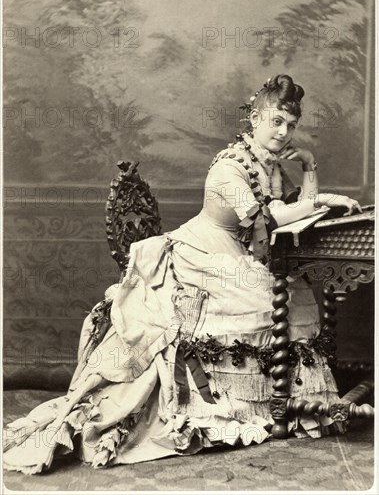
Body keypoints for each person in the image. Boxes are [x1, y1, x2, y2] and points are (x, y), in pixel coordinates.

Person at [3, 74, 361, 474]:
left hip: (242, 254)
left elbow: (292, 204)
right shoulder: (229, 167)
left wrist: (310, 167)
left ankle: (285, 402)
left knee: (293, 292)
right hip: (203, 253)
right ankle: (235, 408)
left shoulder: (270, 165)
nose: (284, 131)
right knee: (262, 302)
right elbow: (274, 216)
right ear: (254, 120)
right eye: (276, 121)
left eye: (291, 125)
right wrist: (318, 200)